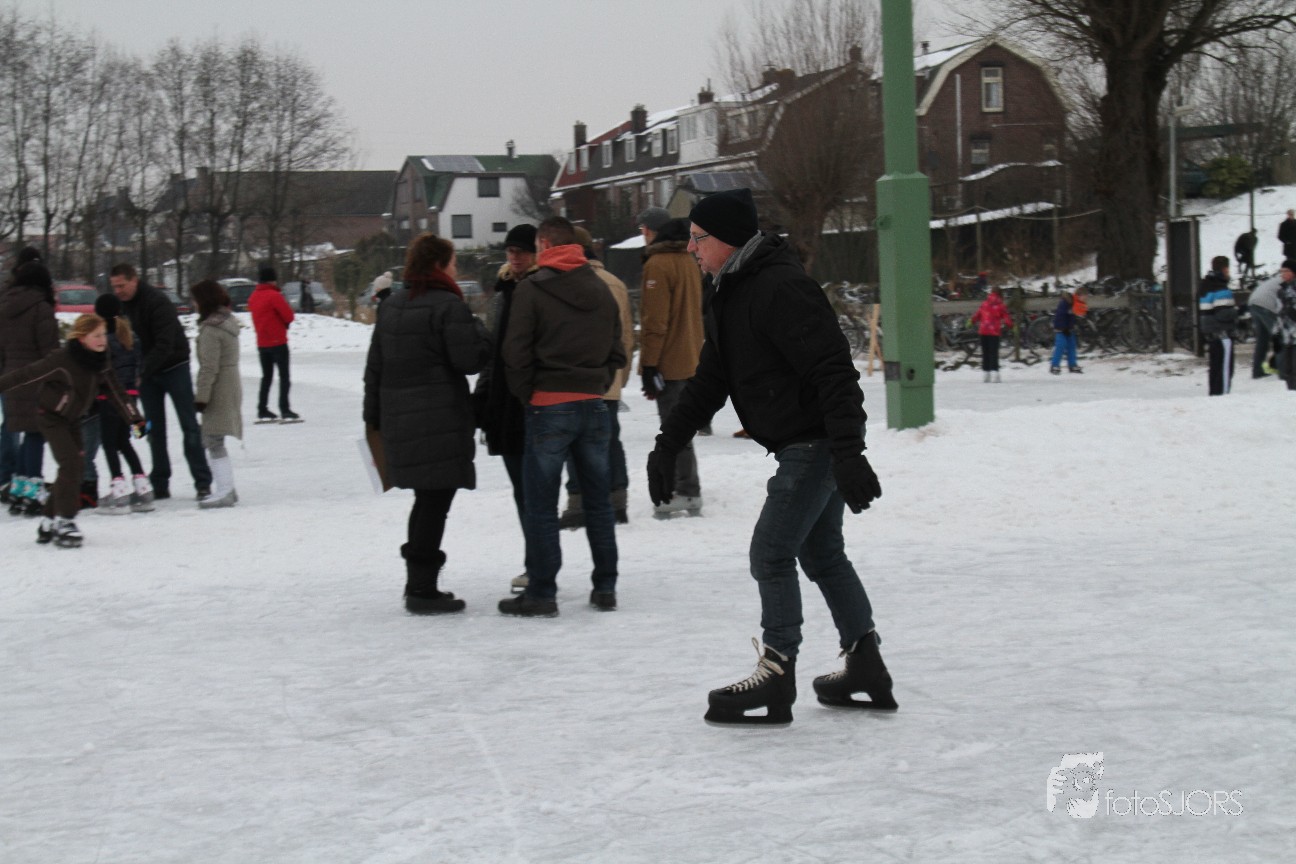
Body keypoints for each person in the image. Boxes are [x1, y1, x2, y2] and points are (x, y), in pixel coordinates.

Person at [646, 188, 892, 726]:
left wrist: (849, 453)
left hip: (815, 443)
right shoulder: (730, 290)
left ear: (728, 240)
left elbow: (834, 371)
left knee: (772, 552)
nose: (690, 247)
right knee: (822, 553)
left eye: (698, 238)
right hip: (804, 442)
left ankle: (778, 673)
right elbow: (712, 378)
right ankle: (865, 664)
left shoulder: (781, 288)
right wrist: (667, 444)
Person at [500, 216, 625, 617]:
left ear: (543, 244)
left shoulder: (532, 289)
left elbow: (515, 351)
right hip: (593, 403)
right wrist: (597, 382)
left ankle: (542, 592)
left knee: (540, 504)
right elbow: (618, 349)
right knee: (599, 503)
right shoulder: (601, 288)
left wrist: (528, 394)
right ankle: (605, 587)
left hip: (548, 404)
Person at [364, 233, 490, 614]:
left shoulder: (392, 305)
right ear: (439, 264)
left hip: (399, 419)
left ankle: (417, 582)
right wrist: (480, 330)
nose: (455, 269)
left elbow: (374, 367)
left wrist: (374, 419)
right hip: (439, 419)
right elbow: (469, 360)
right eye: (453, 262)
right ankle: (422, 587)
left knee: (426, 499)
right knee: (435, 501)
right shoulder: (448, 306)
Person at [0, 313, 145, 547]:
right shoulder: (62, 359)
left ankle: (48, 520)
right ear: (81, 337)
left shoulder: (101, 361)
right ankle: (65, 520)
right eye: (96, 336)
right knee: (71, 464)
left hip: (73, 419)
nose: (102, 340)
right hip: (51, 417)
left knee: (74, 468)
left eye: (103, 335)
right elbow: (25, 375)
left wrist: (136, 421)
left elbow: (116, 391)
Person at [110, 262, 212, 500]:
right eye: (114, 287)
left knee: (189, 425)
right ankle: (160, 482)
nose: (118, 291)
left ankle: (202, 481)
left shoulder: (157, 301)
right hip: (147, 374)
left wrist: (140, 371)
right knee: (153, 429)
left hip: (174, 366)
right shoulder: (121, 307)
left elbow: (164, 344)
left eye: (121, 286)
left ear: (134, 280)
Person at [474, 223, 539, 594]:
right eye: (511, 251)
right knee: (522, 489)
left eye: (522, 251)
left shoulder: (541, 287)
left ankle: (538, 565)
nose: (515, 257)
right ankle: (535, 562)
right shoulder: (501, 293)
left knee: (535, 490)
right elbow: (492, 353)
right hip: (504, 404)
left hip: (533, 403)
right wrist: (483, 397)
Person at [558, 226, 635, 529]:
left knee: (574, 441)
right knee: (610, 440)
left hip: (573, 379)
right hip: (609, 378)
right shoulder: (615, 283)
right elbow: (626, 337)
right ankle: (617, 500)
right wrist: (620, 377)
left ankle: (577, 501)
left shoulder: (563, 281)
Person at [638, 216, 706, 518]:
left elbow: (655, 322)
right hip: (691, 356)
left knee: (674, 429)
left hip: (669, 361)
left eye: (643, 229)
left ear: (651, 231)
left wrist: (649, 365)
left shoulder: (658, 265)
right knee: (682, 426)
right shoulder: (689, 261)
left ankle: (687, 490)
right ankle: (687, 487)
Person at [0, 254, 60, 516]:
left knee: (25, 432)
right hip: (36, 379)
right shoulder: (41, 309)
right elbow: (50, 351)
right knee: (37, 433)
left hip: (12, 379)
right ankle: (33, 491)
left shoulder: (5, 307)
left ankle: (19, 489)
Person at [91, 293, 152, 514]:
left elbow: (100, 371)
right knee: (123, 442)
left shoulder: (102, 339)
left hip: (109, 398)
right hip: (131, 397)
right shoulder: (130, 336)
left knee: (109, 443)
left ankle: (119, 489)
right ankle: (142, 486)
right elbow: (139, 365)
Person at [191, 280, 243, 509]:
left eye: (195, 299)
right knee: (215, 437)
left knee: (213, 439)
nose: (193, 304)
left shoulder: (211, 330)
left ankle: (225, 490)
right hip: (230, 384)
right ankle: (226, 488)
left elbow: (209, 367)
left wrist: (201, 398)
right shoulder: (227, 321)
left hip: (219, 388)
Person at [247, 265, 300, 423]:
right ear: (272, 280)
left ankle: (262, 408)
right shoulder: (274, 296)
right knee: (284, 377)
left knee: (266, 377)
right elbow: (289, 316)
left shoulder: (253, 297)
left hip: (262, 343)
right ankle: (284, 409)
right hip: (278, 342)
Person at [1199, 255, 1238, 396]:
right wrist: (1238, 311)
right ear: (1225, 269)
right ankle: (1223, 395)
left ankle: (1214, 394)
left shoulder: (1205, 285)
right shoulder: (1221, 288)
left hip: (1210, 333)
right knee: (1225, 368)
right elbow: (1223, 314)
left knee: (1215, 367)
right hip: (1223, 334)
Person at [1246, 270, 1284, 378]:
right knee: (1280, 338)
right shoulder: (1290, 281)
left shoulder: (1280, 278)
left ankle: (1257, 371)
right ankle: (1284, 371)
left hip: (1254, 302)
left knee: (1262, 339)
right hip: (1267, 305)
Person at [971, 286, 1013, 382]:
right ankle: (995, 373)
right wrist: (1011, 326)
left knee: (985, 352)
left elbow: (978, 314)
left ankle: (986, 374)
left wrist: (971, 321)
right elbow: (1006, 318)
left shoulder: (985, 303)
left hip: (983, 330)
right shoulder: (1000, 305)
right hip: (994, 332)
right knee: (993, 352)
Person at [1274, 261, 1296, 389]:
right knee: (1287, 369)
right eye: (1281, 271)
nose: (1283, 274)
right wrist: (1277, 332)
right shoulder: (1281, 290)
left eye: (1286, 271)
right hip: (1286, 335)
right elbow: (1278, 312)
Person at [1049, 289, 1081, 374]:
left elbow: (1072, 317)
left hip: (1069, 329)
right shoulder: (1064, 303)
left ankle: (1072, 364)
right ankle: (1055, 365)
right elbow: (1060, 317)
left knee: (1072, 346)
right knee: (1060, 346)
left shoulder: (1073, 303)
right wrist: (1063, 328)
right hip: (1061, 330)